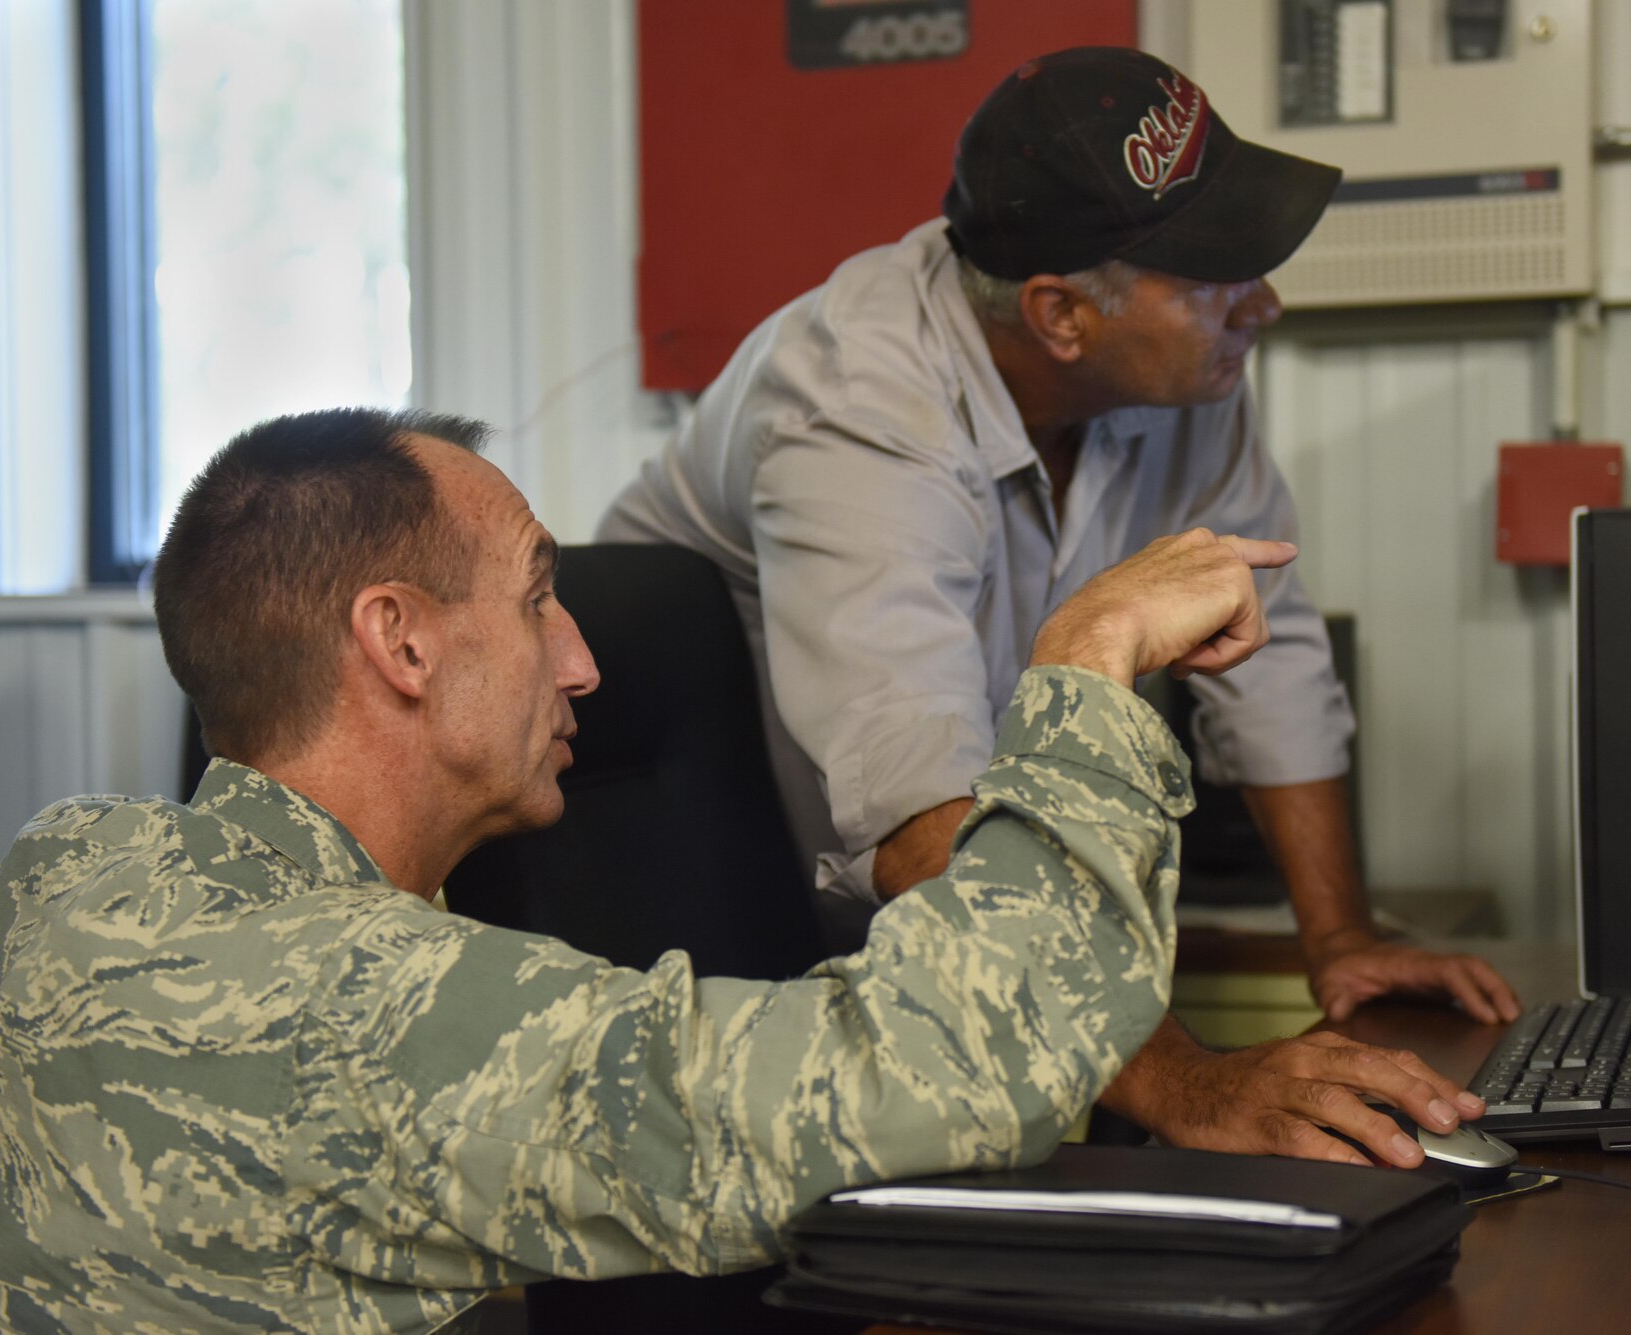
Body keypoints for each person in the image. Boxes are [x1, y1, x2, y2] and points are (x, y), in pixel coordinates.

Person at [0, 408, 1478, 1332]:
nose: (584, 659)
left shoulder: (60, 867)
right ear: (400, 640)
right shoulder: (380, 1018)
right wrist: (1085, 660)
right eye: (541, 598)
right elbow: (961, 1062)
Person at [596, 46, 1520, 1153]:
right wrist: (1183, 1083)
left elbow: (1266, 649)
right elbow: (914, 813)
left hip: (962, 872)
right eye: (1213, 277)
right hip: (725, 870)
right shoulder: (854, 412)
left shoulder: (1180, 370)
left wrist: (1339, 938)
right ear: (1061, 315)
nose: (1262, 306)